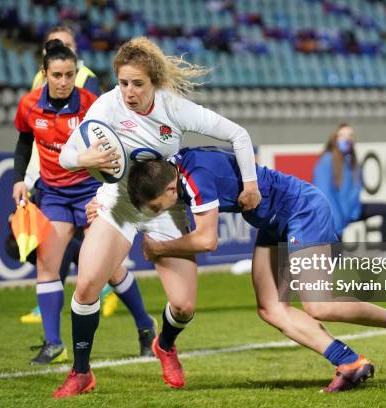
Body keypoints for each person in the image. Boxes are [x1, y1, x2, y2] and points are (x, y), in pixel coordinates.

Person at [120, 147, 386, 393]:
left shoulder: (194, 179)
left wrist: (158, 248)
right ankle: (349, 361)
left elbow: (207, 240)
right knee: (270, 308)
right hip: (273, 221)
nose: (164, 212)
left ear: (170, 189)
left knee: (318, 304)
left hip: (302, 210)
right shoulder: (173, 170)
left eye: (160, 206)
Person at [52, 37, 261, 398]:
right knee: (86, 286)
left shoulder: (174, 108)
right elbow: (67, 156)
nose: (129, 92)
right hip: (119, 203)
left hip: (165, 206)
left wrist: (250, 183)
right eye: (122, 83)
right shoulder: (106, 106)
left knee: (183, 306)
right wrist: (85, 160)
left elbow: (238, 135)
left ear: (155, 83)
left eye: (138, 84)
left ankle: (164, 344)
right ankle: (81, 372)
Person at [13, 39, 155, 365]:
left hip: (91, 193)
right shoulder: (29, 105)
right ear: (44, 74)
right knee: (48, 263)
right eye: (57, 75)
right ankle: (53, 343)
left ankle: (145, 326)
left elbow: (119, 146)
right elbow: (23, 142)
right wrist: (19, 178)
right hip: (54, 194)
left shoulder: (92, 104)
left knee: (110, 269)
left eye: (69, 75)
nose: (63, 82)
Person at [20, 25, 122, 325]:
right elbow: (35, 132)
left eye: (65, 44)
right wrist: (27, 175)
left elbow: (97, 130)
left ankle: (110, 287)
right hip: (49, 178)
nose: (59, 49)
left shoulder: (87, 81)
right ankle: (60, 302)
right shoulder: (39, 82)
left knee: (85, 246)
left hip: (83, 180)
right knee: (54, 246)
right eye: (53, 44)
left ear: (74, 51)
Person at [313, 124, 386, 247]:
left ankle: (384, 251)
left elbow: (356, 188)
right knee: (334, 261)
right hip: (335, 217)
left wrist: (353, 209)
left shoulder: (352, 161)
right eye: (342, 135)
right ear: (334, 138)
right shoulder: (326, 160)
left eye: (350, 135)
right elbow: (324, 193)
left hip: (353, 211)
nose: (346, 139)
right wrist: (338, 221)